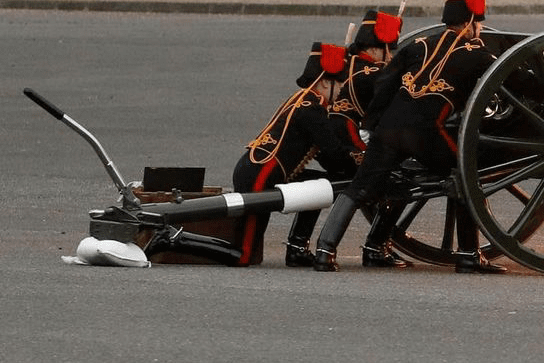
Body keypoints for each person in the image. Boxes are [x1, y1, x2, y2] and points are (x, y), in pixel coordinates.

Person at [143, 13, 400, 266]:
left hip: (265, 170)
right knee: (243, 255)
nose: (340, 91)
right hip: (261, 175)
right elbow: (333, 152)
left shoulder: (302, 99)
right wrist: (362, 168)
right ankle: (173, 240)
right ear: (325, 82)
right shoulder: (312, 109)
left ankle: (297, 248)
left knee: (315, 185)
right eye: (338, 84)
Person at [313, 0, 505, 274]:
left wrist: (370, 124)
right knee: (465, 176)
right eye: (479, 22)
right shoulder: (479, 54)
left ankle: (326, 251)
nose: (479, 28)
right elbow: (512, 83)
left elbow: (385, 83)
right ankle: (468, 254)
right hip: (426, 133)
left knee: (359, 188)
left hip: (388, 129)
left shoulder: (418, 45)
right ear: (470, 22)